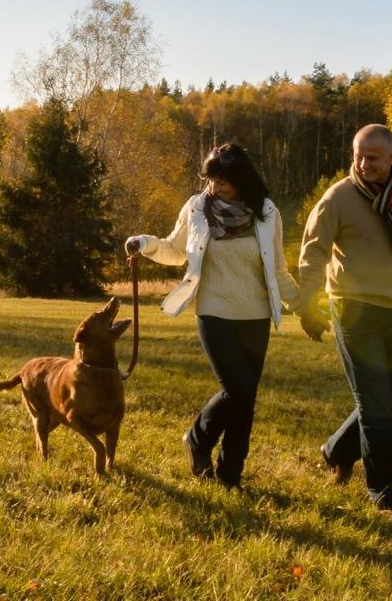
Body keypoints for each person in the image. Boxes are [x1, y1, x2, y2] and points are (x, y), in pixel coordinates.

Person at [125, 143, 299, 489]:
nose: (215, 186)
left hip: (256, 316)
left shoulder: (266, 212)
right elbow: (176, 249)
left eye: (223, 180)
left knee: (245, 399)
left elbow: (278, 271)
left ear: (242, 179)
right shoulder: (197, 208)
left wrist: (305, 307)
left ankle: (231, 474)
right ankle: (198, 439)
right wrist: (144, 243)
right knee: (237, 388)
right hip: (213, 311)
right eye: (211, 178)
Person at [296, 124, 392, 511]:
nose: (363, 163)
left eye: (372, 157)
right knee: (375, 407)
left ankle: (336, 450)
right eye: (357, 155)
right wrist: (308, 306)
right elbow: (312, 254)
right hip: (352, 309)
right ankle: (386, 497)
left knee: (391, 398)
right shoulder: (338, 197)